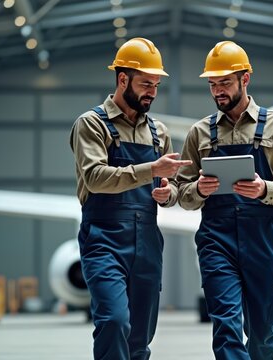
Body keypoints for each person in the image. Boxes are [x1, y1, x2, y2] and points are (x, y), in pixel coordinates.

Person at [176, 41, 273, 360]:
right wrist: (200, 190)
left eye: (224, 83)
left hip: (264, 238)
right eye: (212, 84)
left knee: (263, 332)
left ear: (245, 79)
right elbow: (181, 192)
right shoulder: (200, 133)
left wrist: (266, 189)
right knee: (226, 325)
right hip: (216, 240)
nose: (218, 91)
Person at [69, 37, 191, 360]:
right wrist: (152, 169)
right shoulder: (92, 124)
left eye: (156, 85)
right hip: (104, 239)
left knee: (139, 338)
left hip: (147, 242)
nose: (152, 91)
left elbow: (171, 186)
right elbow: (95, 178)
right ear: (123, 79)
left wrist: (168, 194)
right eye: (145, 83)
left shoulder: (158, 132)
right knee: (113, 321)